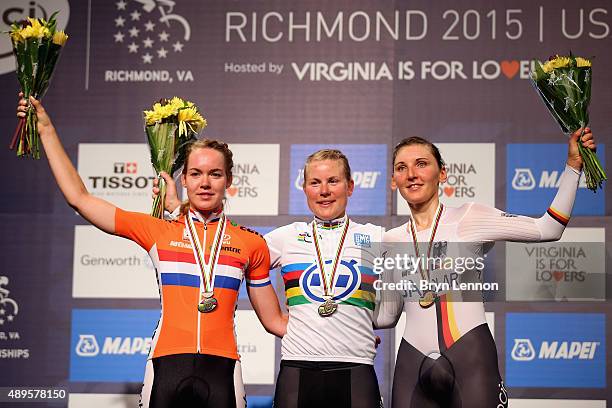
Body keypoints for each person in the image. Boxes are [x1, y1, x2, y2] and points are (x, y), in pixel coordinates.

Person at [17, 95, 287, 408]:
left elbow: (275, 322)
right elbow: (79, 198)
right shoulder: (159, 231)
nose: (205, 183)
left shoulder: (250, 243)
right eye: (196, 174)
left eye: (215, 174)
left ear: (229, 180)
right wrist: (47, 130)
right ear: (183, 178)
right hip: (165, 366)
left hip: (224, 369)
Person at [375, 130, 596, 407]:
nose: (411, 174)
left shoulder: (470, 217)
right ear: (394, 181)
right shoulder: (390, 240)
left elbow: (548, 228)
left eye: (422, 163)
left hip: (469, 356)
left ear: (442, 173)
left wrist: (573, 167)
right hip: (412, 362)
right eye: (401, 168)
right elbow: (385, 315)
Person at [160, 149, 386, 407]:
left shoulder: (377, 237)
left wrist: (358, 321)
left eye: (333, 181)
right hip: (297, 368)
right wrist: (179, 213)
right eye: (315, 182)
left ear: (350, 186)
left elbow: (394, 310)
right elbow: (227, 250)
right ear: (305, 188)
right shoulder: (286, 237)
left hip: (357, 367)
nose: (324, 191)